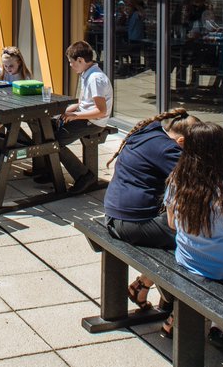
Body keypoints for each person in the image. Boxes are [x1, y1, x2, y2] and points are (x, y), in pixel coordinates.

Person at [164, 121, 223, 349]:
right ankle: (220, 326)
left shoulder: (176, 182)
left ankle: (180, 316)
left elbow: (172, 224)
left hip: (187, 260)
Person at [104, 108, 201, 311]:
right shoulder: (168, 150)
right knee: (198, 239)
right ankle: (177, 311)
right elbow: (199, 180)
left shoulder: (148, 132)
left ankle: (145, 284)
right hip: (132, 222)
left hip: (116, 214)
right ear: (182, 142)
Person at [55, 40, 111, 195]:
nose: (71, 66)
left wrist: (75, 115)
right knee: (48, 129)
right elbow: (82, 103)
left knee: (53, 142)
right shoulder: (87, 74)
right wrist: (65, 111)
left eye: (71, 62)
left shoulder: (95, 79)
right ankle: (50, 171)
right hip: (86, 118)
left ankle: (84, 176)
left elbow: (101, 111)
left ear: (80, 60)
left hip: (93, 122)